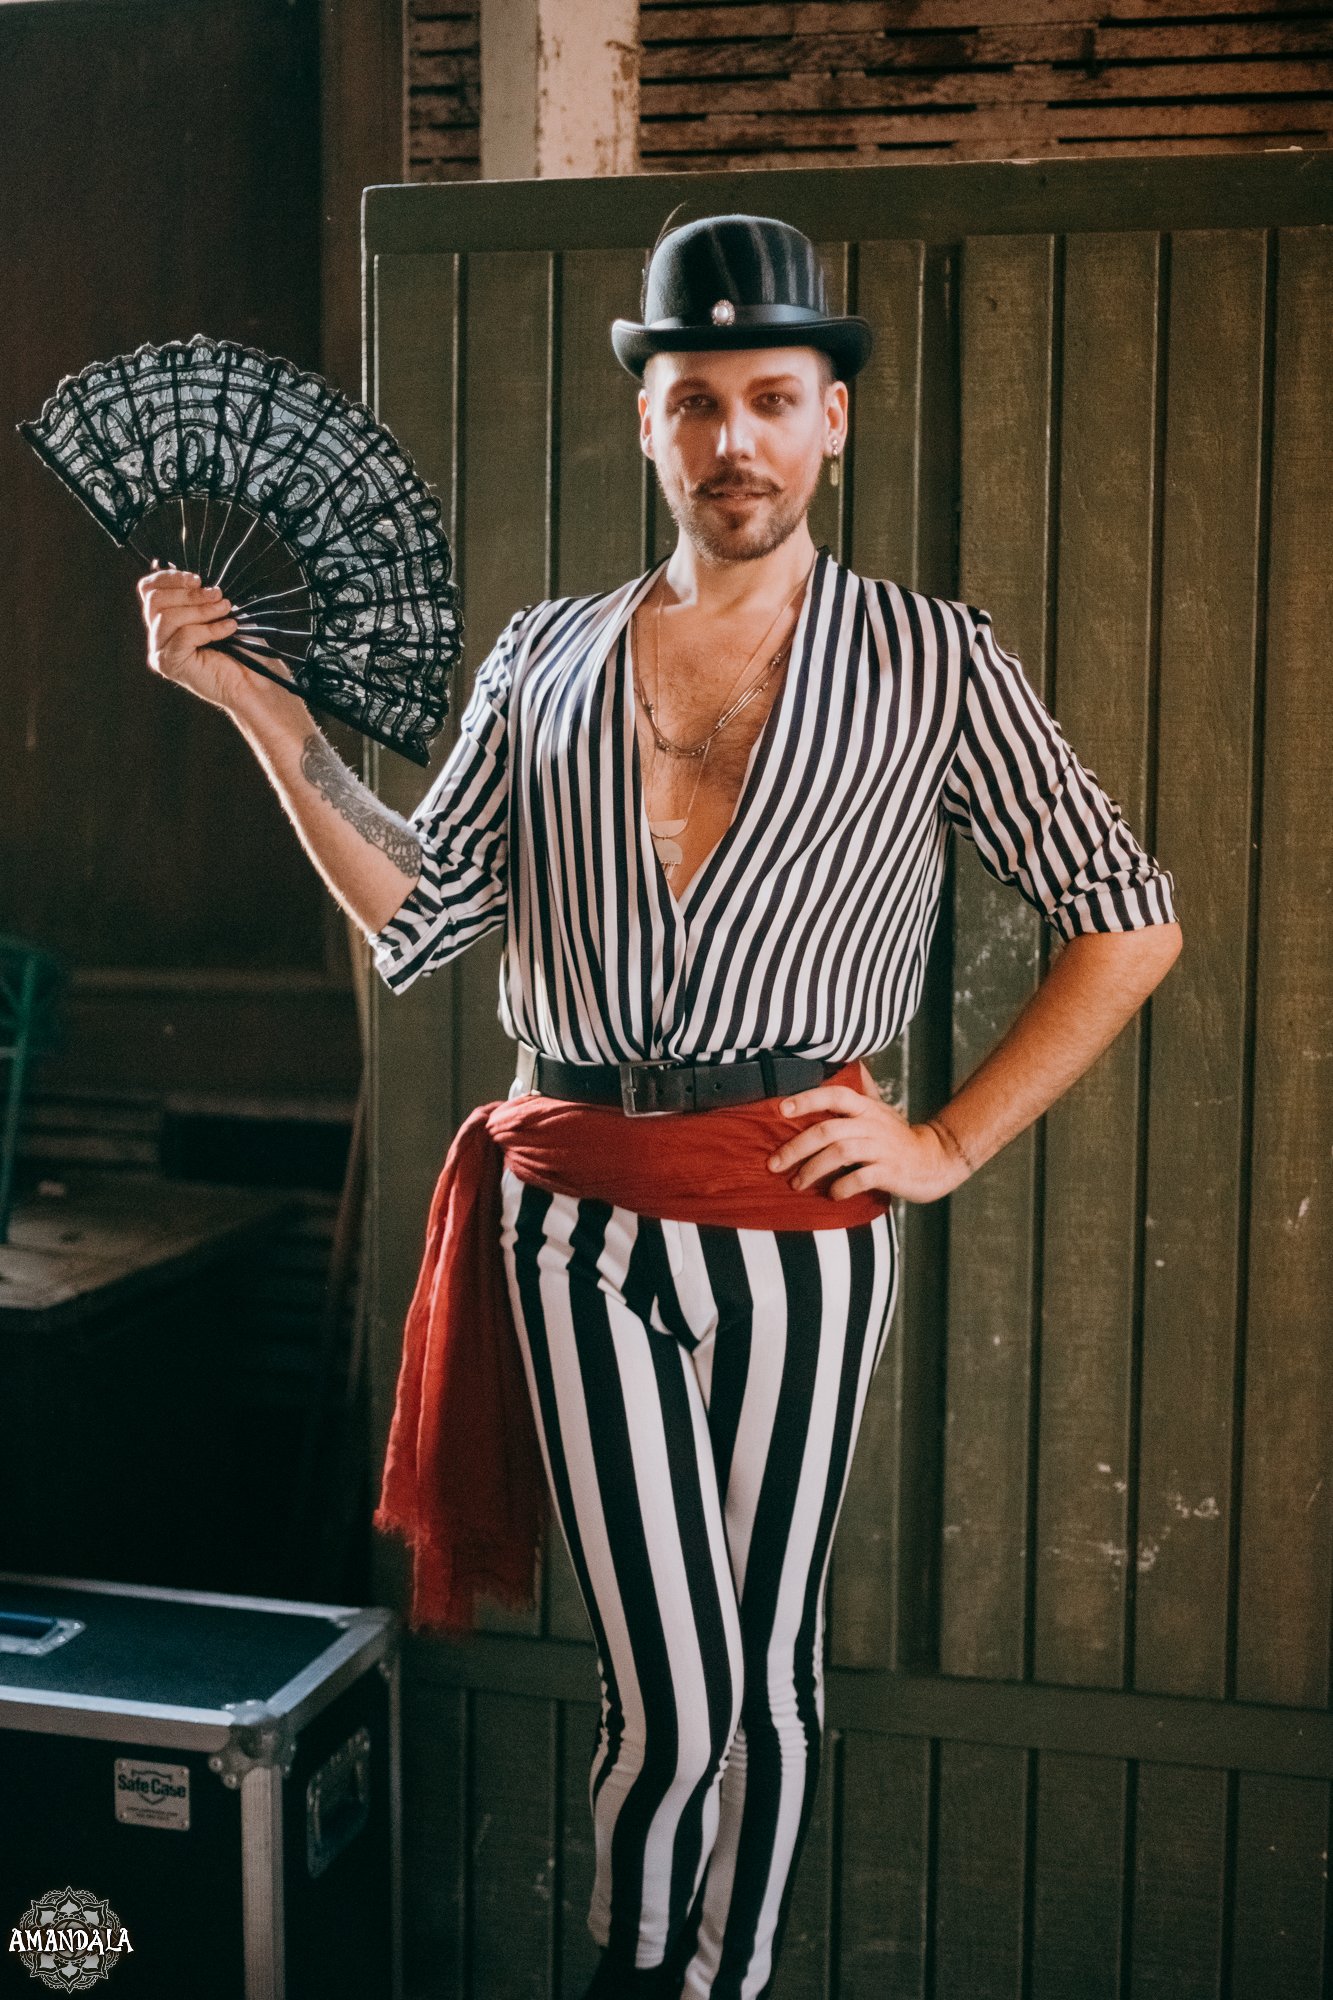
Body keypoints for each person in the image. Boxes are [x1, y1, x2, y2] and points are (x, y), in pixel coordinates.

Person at [137, 212, 1181, 2000]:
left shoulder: (934, 662)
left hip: (801, 1210)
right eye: (695, 401)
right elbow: (424, 914)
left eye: (771, 398)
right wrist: (253, 704)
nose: (732, 440)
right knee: (674, 1696)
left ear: (831, 416)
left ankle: (722, 1980)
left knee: (765, 1679)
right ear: (647, 423)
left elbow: (1125, 913)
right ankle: (639, 1974)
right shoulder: (542, 656)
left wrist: (942, 1144)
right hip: (571, 1211)